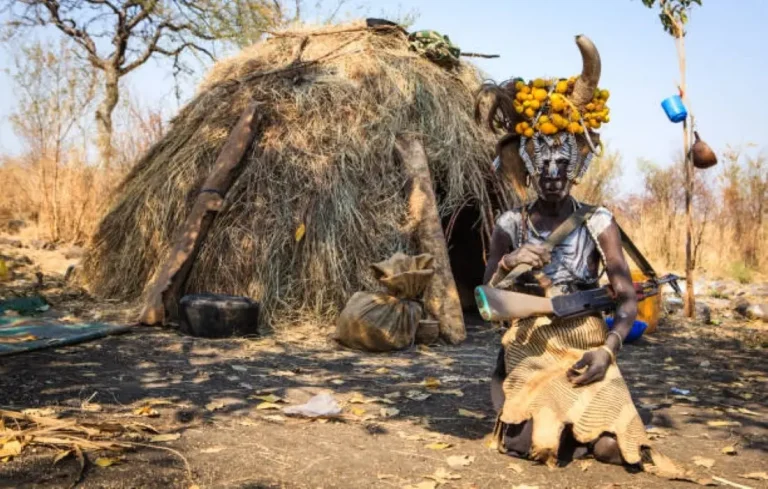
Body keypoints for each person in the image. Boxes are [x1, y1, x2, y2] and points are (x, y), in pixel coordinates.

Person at [475, 35, 653, 468]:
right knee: (526, 443)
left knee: (614, 448)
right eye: (543, 163)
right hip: (531, 341)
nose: (553, 173)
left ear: (577, 166)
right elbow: (485, 299)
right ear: (529, 165)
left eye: (562, 163)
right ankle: (561, 424)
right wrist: (509, 263)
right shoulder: (510, 224)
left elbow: (626, 297)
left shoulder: (599, 221)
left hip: (586, 341)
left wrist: (608, 349)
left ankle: (584, 424)